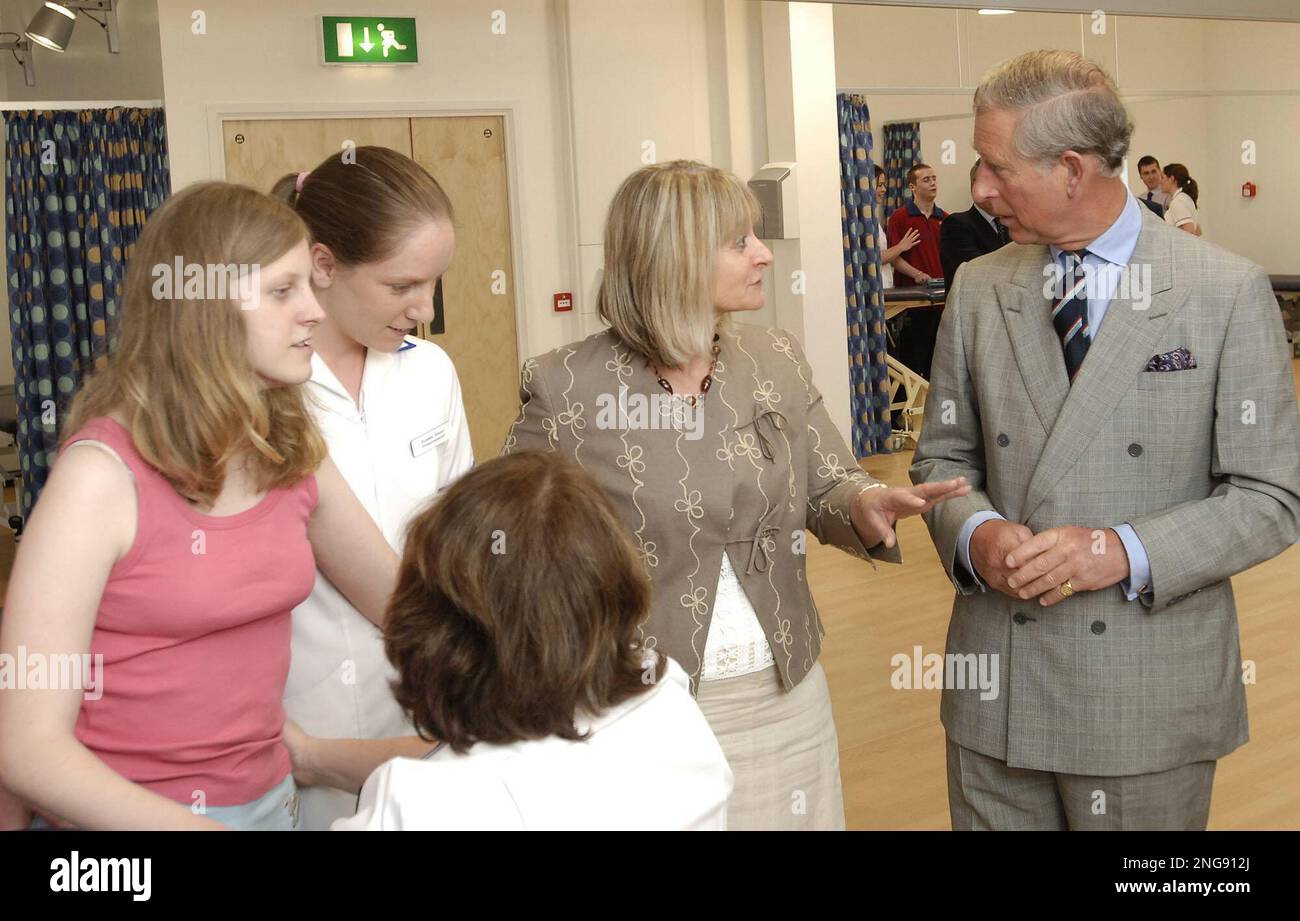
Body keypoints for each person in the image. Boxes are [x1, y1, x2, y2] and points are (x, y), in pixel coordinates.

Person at [503, 160, 969, 830]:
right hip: (637, 704)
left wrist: (864, 503)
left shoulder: (773, 356)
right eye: (740, 242)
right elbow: (503, 555)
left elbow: (831, 480)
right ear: (675, 256)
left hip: (786, 688)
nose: (763, 256)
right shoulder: (567, 387)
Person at [910, 49, 1300, 831]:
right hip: (997, 692)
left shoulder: (1223, 291)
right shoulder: (982, 288)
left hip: (1143, 698)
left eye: (995, 167)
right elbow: (943, 458)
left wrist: (1120, 550)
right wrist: (976, 533)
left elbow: (1272, 497)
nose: (979, 187)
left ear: (1072, 169)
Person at [0, 183, 408, 830]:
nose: (314, 312)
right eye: (283, 291)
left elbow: (404, 603)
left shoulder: (288, 449)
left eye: (309, 286)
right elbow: (26, 749)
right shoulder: (99, 478)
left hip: (274, 804)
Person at [286, 452, 734, 830]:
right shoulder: (668, 701)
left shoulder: (425, 805)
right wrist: (312, 756)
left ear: (440, 631)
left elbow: (474, 783)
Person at [270, 146, 473, 831]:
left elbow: (459, 539)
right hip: (297, 716)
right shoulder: (263, 389)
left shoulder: (431, 373)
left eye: (435, 282)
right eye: (402, 285)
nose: (426, 307)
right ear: (322, 265)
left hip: (422, 705)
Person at [887, 163, 949, 379]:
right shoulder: (900, 217)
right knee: (911, 364)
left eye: (934, 178)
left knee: (938, 364)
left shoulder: (945, 218)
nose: (932, 183)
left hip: (940, 303)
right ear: (913, 187)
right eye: (926, 180)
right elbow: (894, 258)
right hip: (911, 306)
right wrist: (917, 274)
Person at [939, 158, 1012, 285]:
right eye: (990, 184)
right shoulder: (956, 224)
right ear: (974, 186)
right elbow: (975, 270)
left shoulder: (1011, 224)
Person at [874, 166, 920, 289]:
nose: (883, 189)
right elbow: (874, 258)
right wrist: (901, 247)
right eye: (879, 185)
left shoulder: (873, 220)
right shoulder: (898, 217)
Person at [1161, 162, 1201, 236]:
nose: (1161, 181)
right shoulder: (1184, 198)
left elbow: (1189, 232)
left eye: (1163, 177)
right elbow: (1198, 231)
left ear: (1171, 179)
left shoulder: (1178, 202)